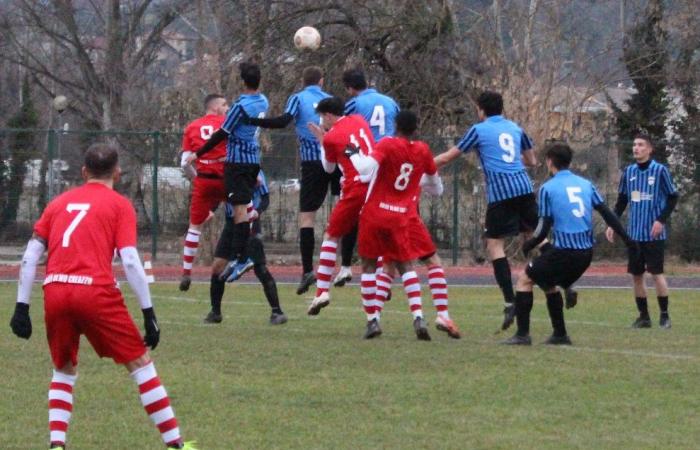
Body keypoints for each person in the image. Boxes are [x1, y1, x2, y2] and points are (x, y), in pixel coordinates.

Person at [9, 144, 196, 449]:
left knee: (64, 369)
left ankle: (57, 444)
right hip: (94, 291)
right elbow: (131, 260)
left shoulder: (58, 203)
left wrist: (21, 306)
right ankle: (175, 444)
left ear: (84, 172)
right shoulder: (119, 205)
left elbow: (31, 254)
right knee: (141, 363)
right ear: (118, 173)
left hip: (55, 289)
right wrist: (148, 312)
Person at [502, 143, 636, 346]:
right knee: (547, 283)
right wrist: (628, 240)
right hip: (586, 253)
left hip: (565, 252)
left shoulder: (548, 188)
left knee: (524, 279)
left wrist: (529, 245)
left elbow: (543, 227)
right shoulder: (586, 184)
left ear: (549, 161)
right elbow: (608, 214)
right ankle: (560, 334)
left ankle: (522, 334)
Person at [434, 90, 537, 330]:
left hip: (501, 193)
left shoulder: (479, 130)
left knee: (495, 245)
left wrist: (424, 163)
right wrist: (510, 162)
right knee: (537, 238)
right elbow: (532, 161)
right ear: (502, 108)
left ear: (480, 110)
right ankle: (563, 282)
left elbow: (450, 156)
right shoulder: (515, 128)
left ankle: (510, 300)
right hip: (524, 187)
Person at [349, 110, 457, 340]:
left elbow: (366, 171)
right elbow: (437, 188)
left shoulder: (387, 144)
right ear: (416, 128)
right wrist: (417, 183)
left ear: (395, 125)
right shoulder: (422, 150)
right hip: (402, 216)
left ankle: (373, 320)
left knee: (369, 266)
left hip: (375, 213)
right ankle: (419, 315)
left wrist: (353, 154)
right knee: (406, 265)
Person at [243, 66, 337, 295]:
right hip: (336, 159)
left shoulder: (298, 98)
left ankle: (307, 270)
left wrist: (255, 121)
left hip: (312, 163)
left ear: (304, 81)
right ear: (322, 81)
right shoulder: (332, 100)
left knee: (307, 217)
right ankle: (347, 268)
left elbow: (283, 121)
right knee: (346, 212)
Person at [187, 62, 268, 282]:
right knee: (245, 211)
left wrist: (199, 153)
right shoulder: (263, 101)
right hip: (252, 163)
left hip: (238, 164)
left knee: (241, 213)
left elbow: (222, 132)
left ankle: (242, 258)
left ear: (243, 82)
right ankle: (242, 257)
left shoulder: (240, 106)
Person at [332, 68, 401, 287]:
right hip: (390, 161)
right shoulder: (390, 102)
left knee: (354, 213)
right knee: (382, 213)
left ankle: (345, 267)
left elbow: (342, 125)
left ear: (350, 88)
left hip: (367, 161)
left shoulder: (355, 104)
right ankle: (384, 271)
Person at [306, 96, 375, 315]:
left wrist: (322, 140)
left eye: (321, 117)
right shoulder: (359, 119)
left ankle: (322, 292)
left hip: (355, 187)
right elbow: (356, 146)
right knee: (374, 236)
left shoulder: (332, 136)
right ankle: (381, 283)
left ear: (327, 116)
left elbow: (328, 168)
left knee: (331, 235)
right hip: (376, 183)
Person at [605, 134, 679, 329]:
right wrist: (612, 223)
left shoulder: (660, 171)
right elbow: (622, 201)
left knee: (656, 273)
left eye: (641, 145)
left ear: (650, 149)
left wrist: (660, 220)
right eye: (635, 144)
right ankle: (644, 317)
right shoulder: (628, 172)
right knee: (637, 275)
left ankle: (664, 315)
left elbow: (673, 197)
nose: (636, 148)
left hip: (653, 234)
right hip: (634, 234)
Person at [204, 171, 287, 325]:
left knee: (259, 268)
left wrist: (257, 211)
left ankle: (277, 311)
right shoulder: (226, 169)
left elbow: (265, 198)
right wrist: (209, 209)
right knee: (217, 268)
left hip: (249, 222)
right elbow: (220, 195)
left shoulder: (254, 169)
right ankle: (215, 312)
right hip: (231, 224)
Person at [179, 94, 229, 291]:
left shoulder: (192, 127)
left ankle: (186, 271)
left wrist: (196, 177)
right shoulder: (227, 123)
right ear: (215, 107)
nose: (227, 107)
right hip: (226, 178)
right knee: (242, 216)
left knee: (194, 227)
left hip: (204, 179)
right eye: (225, 104)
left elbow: (184, 163)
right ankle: (241, 260)